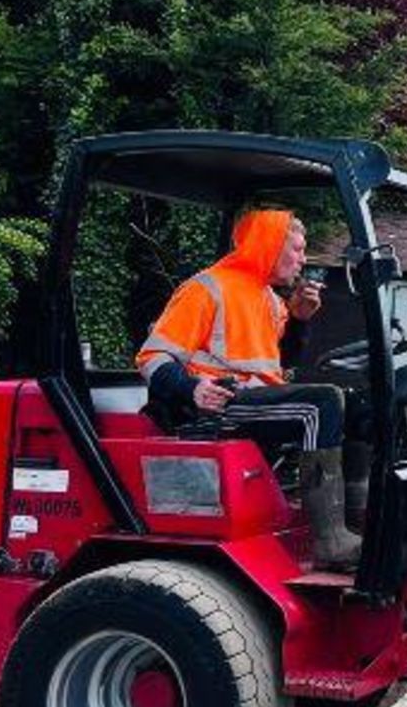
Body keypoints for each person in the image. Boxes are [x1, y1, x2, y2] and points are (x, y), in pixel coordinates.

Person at [136, 208, 363, 569]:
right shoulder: (206, 288)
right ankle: (331, 540)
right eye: (298, 249)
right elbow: (152, 357)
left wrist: (300, 320)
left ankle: (360, 524)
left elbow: (276, 361)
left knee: (359, 406)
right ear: (270, 246)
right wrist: (192, 387)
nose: (304, 259)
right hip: (212, 407)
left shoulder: (270, 299)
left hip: (250, 403)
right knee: (321, 404)